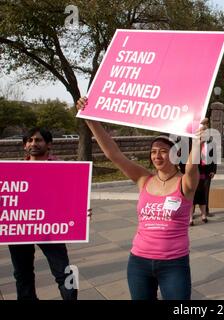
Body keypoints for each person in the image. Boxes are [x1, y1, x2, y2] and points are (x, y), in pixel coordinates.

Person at [76, 97, 206, 300]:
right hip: (139, 263)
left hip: (174, 264)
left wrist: (198, 141)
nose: (157, 156)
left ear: (176, 153)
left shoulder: (185, 184)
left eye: (163, 151)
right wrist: (91, 121)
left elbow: (192, 167)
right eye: (154, 152)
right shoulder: (144, 178)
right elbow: (114, 155)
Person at [8, 128, 79, 300]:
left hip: (50, 229)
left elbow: (73, 197)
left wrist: (79, 211)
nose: (33, 143)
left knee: (64, 272)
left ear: (49, 144)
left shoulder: (62, 169)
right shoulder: (13, 171)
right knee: (22, 274)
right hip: (20, 228)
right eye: (30, 140)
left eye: (38, 140)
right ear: (25, 145)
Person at [190, 139, 217, 225]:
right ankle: (191, 212)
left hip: (207, 171)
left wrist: (213, 170)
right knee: (193, 192)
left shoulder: (211, 143)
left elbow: (214, 157)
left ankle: (205, 212)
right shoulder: (191, 142)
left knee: (205, 191)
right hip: (194, 170)